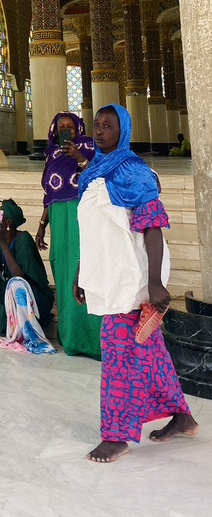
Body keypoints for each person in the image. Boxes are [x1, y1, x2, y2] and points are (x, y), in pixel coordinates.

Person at [76, 104, 199, 463]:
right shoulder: (92, 173)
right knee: (148, 348)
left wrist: (156, 283)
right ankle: (182, 417)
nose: (99, 131)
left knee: (118, 353)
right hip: (106, 273)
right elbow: (93, 233)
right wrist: (82, 273)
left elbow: (152, 228)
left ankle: (115, 436)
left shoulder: (133, 171)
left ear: (123, 131)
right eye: (96, 126)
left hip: (132, 277)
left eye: (108, 126)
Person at [35, 112, 101, 359]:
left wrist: (79, 158)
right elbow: (49, 194)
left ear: (78, 128)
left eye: (70, 126)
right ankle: (71, 337)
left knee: (83, 272)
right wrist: (42, 225)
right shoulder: (51, 154)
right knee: (63, 274)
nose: (66, 130)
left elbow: (100, 178)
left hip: (80, 218)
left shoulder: (89, 147)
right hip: (58, 221)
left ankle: (94, 341)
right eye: (61, 126)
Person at [0, 199, 55, 347]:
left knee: (16, 285)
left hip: (28, 294)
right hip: (4, 287)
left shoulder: (24, 239)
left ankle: (19, 329)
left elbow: (19, 275)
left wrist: (2, 242)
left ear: (8, 222)